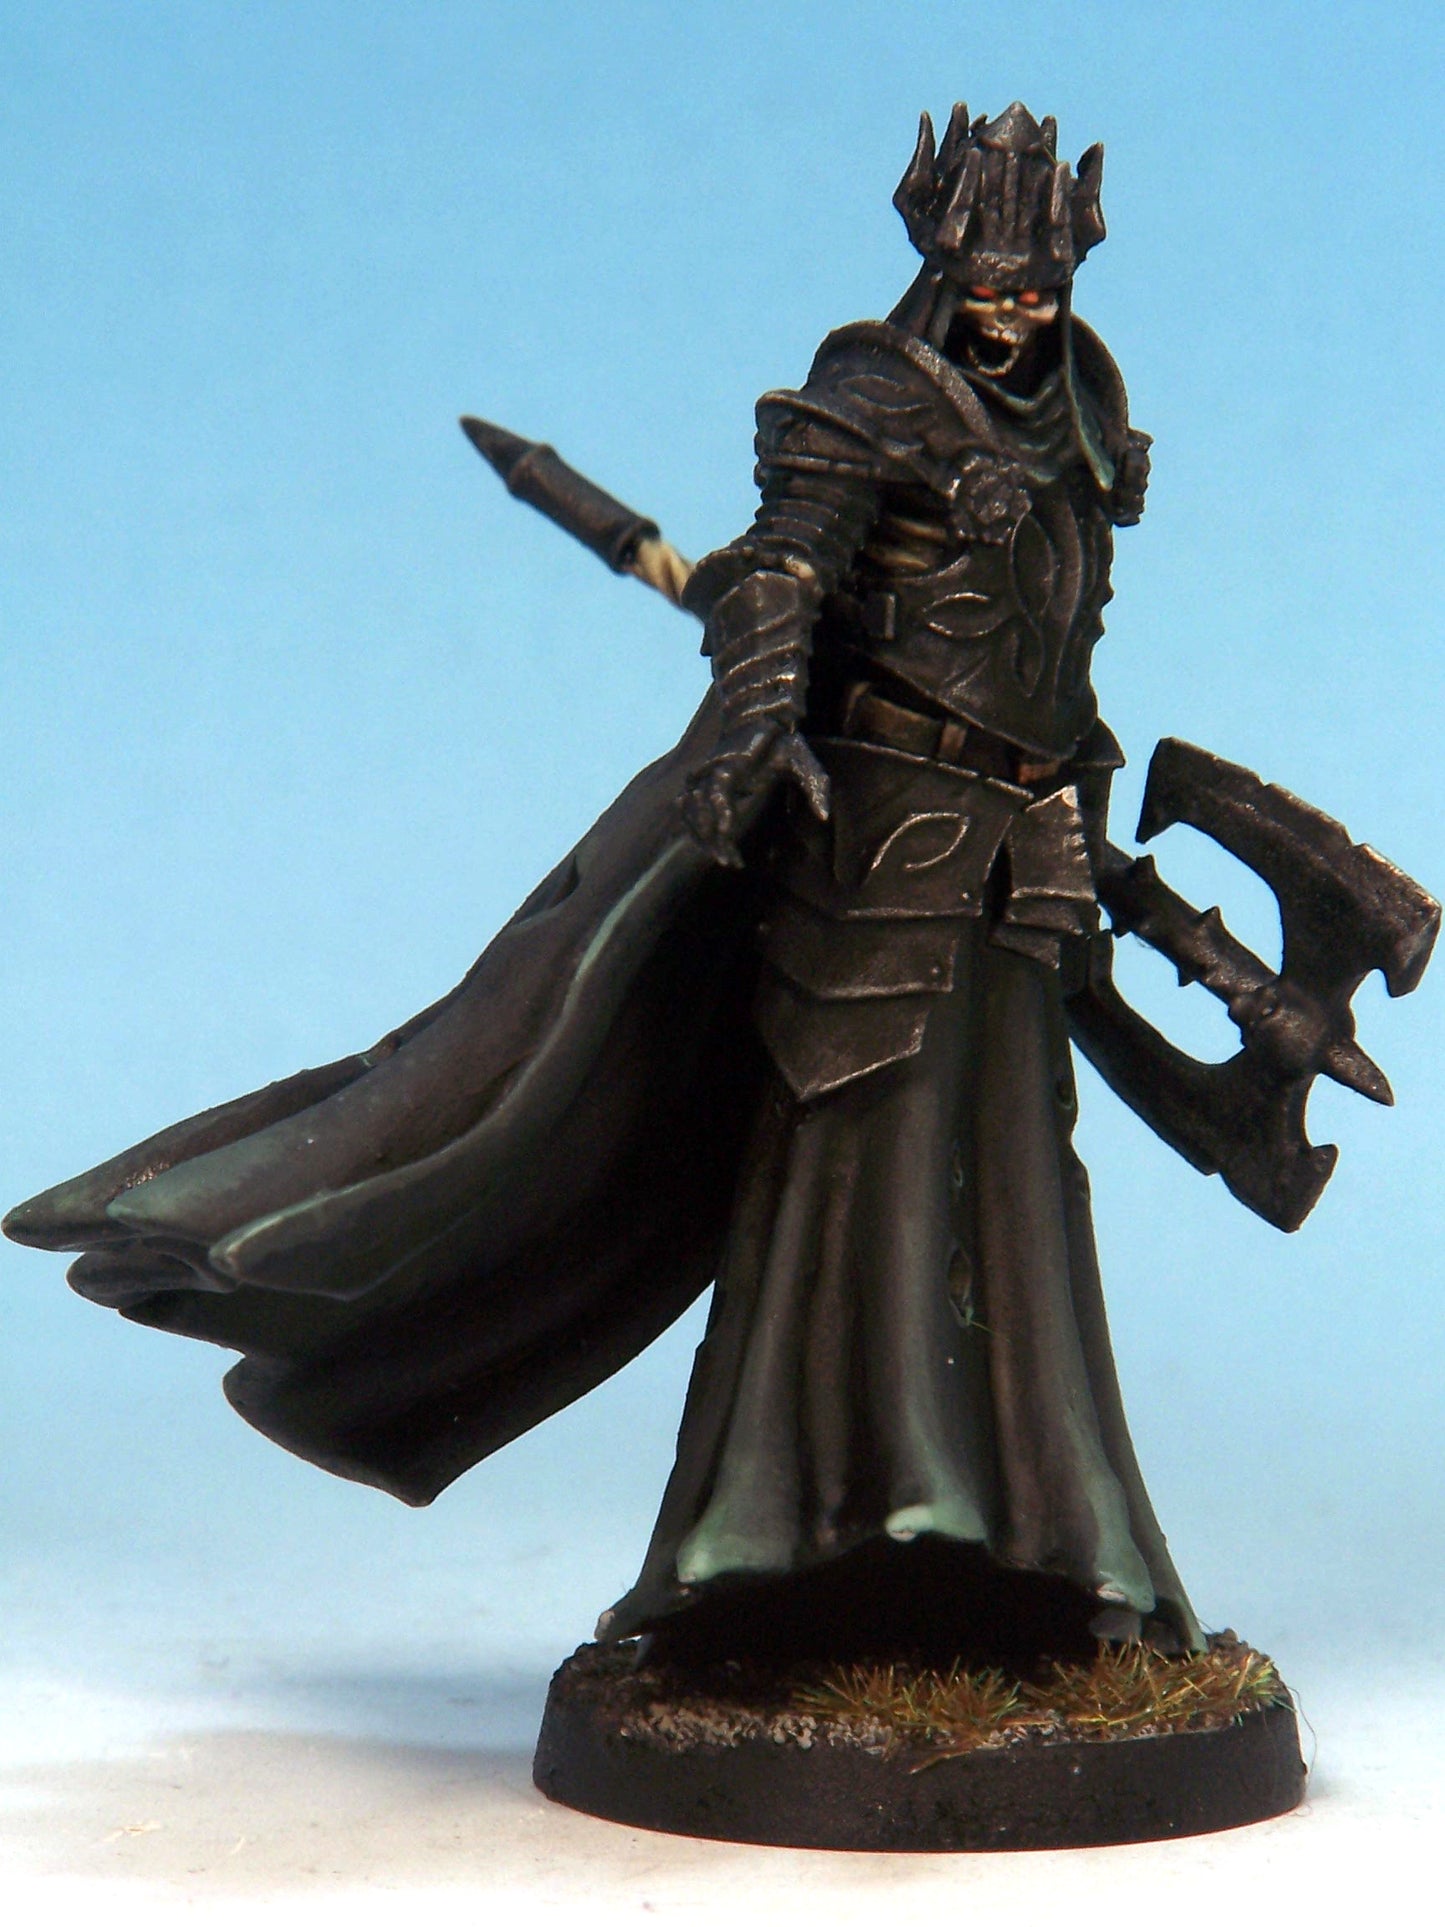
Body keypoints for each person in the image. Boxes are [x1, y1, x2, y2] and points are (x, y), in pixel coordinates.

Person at [6, 103, 1200, 1666]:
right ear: (938, 261)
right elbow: (780, 569)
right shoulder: (872, 393)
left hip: (1019, 846)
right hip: (877, 836)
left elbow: (1055, 635)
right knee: (865, 1166)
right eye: (991, 282)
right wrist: (759, 719)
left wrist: (1074, 803)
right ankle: (791, 1541)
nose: (1014, 311)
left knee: (1022, 1180)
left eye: (1038, 286)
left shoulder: (1084, 409)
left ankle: (1048, 1537)